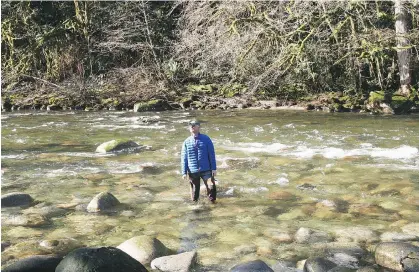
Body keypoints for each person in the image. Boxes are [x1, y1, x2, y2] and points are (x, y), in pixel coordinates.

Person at [181, 120, 217, 202]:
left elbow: (211, 154)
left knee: (211, 187)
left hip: (206, 169)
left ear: (199, 127)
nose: (192, 126)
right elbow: (184, 158)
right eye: (190, 125)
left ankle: (213, 205)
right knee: (194, 195)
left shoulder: (206, 139)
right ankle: (196, 209)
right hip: (193, 171)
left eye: (194, 125)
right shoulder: (186, 142)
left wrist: (214, 168)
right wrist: (183, 172)